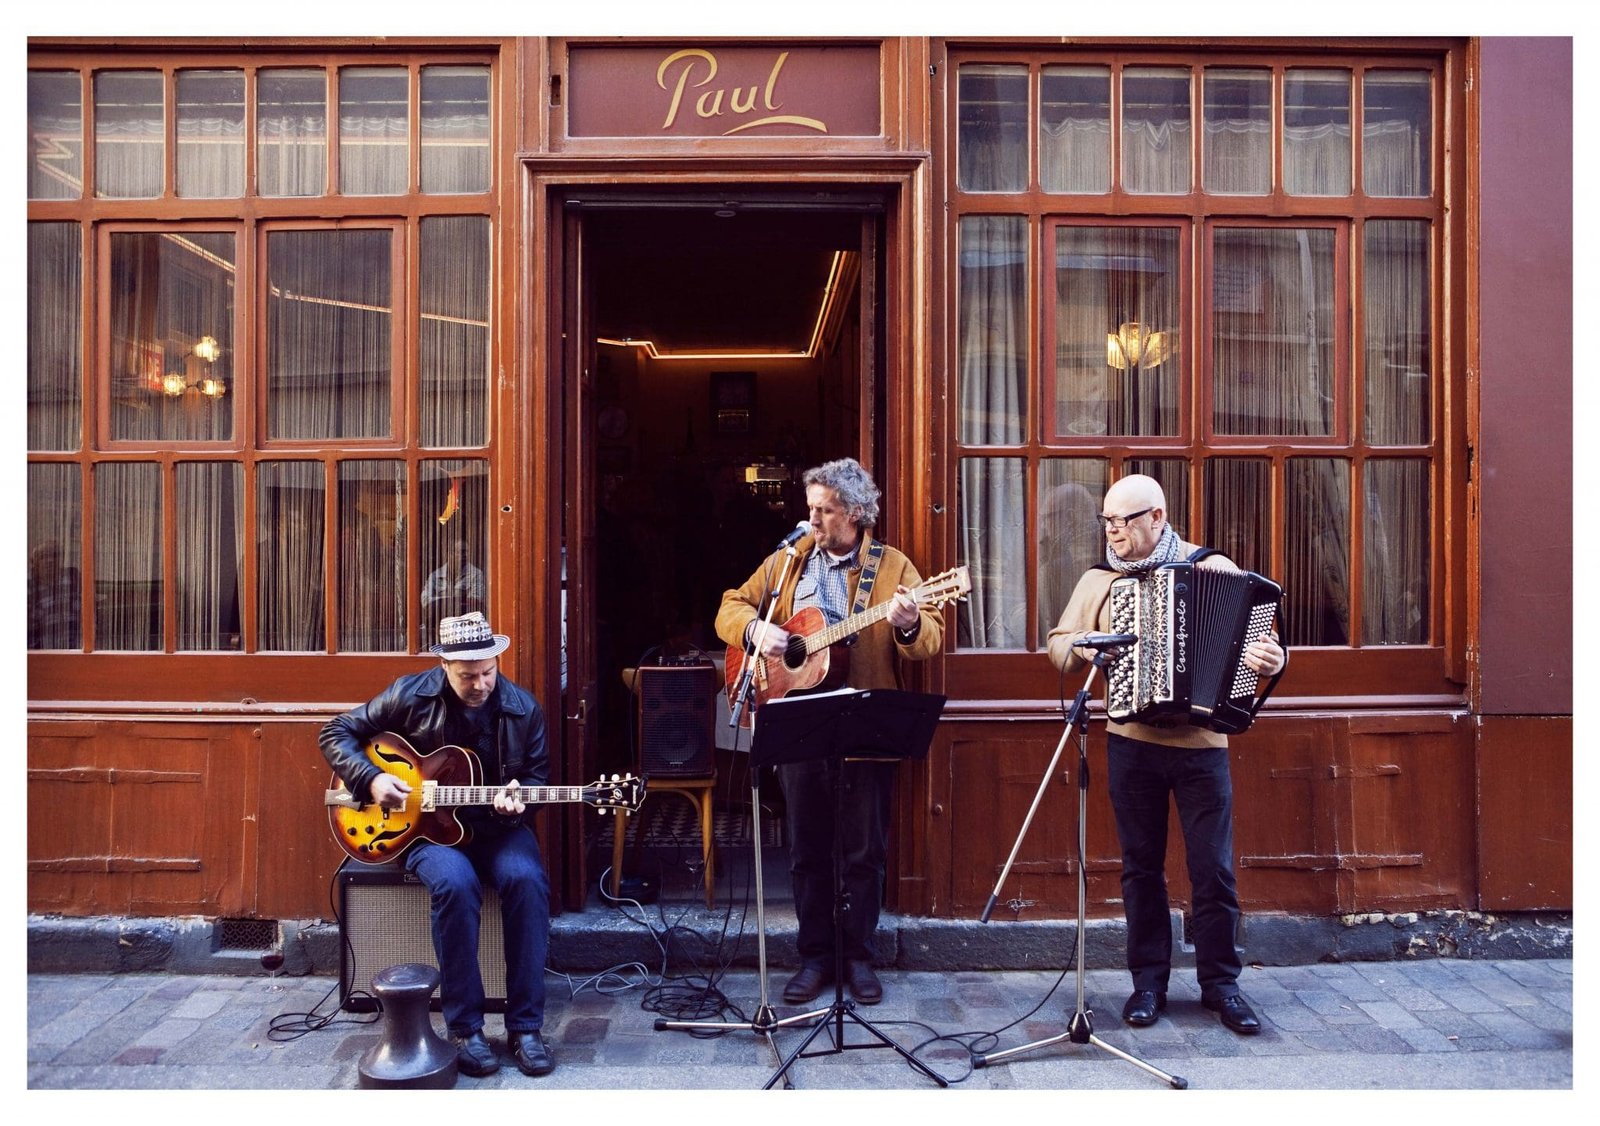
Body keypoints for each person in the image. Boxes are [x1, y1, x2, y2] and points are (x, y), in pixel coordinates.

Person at [1046, 474, 1286, 1037]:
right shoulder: (1100, 581)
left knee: (1214, 871)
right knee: (1140, 870)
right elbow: (1058, 646)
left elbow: (1261, 652)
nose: (1112, 531)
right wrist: (1087, 648)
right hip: (1132, 745)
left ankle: (1221, 985)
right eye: (1106, 521)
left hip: (1203, 746)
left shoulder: (1216, 570)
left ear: (1157, 517)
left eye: (1122, 521)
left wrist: (1274, 662)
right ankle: (1147, 982)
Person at [715, 457, 943, 1006]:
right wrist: (755, 631)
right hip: (797, 718)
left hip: (864, 720)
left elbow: (930, 640)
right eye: (810, 508)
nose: (812, 520)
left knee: (864, 849)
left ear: (857, 513)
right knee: (807, 847)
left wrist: (910, 623)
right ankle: (814, 956)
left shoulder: (893, 568)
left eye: (825, 511)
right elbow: (730, 606)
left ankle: (858, 957)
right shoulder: (788, 561)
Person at [319, 611, 555, 1078]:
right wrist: (372, 778)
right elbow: (335, 732)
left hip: (498, 829)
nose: (482, 684)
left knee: (527, 880)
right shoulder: (410, 694)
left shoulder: (524, 709)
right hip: (426, 830)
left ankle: (526, 1027)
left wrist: (520, 804)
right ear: (445, 666)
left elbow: (536, 778)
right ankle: (465, 1029)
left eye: (489, 671)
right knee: (454, 884)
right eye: (469, 676)